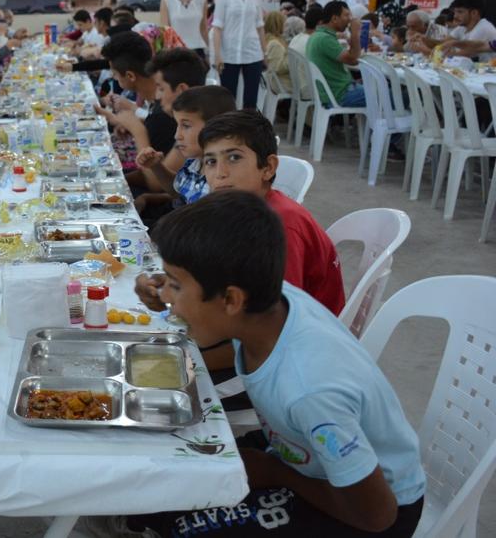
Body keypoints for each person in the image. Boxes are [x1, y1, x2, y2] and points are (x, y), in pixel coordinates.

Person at [90, 190, 426, 538]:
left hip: (366, 510)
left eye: (176, 285)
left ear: (232, 299)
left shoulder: (309, 391)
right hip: (301, 457)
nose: (168, 297)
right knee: (162, 485)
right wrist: (168, 292)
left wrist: (276, 473)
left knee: (181, 525)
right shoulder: (269, 299)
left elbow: (376, 514)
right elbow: (212, 305)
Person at [200, 110, 345, 316]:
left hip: (298, 335)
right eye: (211, 161)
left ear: (268, 167)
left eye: (233, 158)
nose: (220, 173)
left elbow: (276, 316)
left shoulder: (280, 225)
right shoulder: (242, 208)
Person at [135, 85, 237, 206]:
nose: (177, 135)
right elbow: (179, 190)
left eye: (186, 126)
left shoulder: (221, 180)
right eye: (177, 125)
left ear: (216, 127)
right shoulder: (194, 162)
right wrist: (157, 167)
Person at [212, 0, 267, 110]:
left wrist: (265, 52)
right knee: (229, 98)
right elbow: (217, 28)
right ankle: (229, 130)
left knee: (251, 100)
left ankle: (248, 131)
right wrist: (217, 55)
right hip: (229, 54)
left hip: (253, 53)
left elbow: (260, 26)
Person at [306, 0, 365, 107]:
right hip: (339, 95)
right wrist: (355, 33)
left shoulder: (317, 35)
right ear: (334, 19)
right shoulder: (324, 39)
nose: (350, 19)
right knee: (386, 94)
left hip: (333, 91)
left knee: (379, 90)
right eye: (346, 15)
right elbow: (354, 60)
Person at [263, 11, 293, 94]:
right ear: (279, 24)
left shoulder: (267, 40)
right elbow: (277, 68)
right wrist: (291, 60)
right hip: (282, 85)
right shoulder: (275, 44)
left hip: (277, 83)